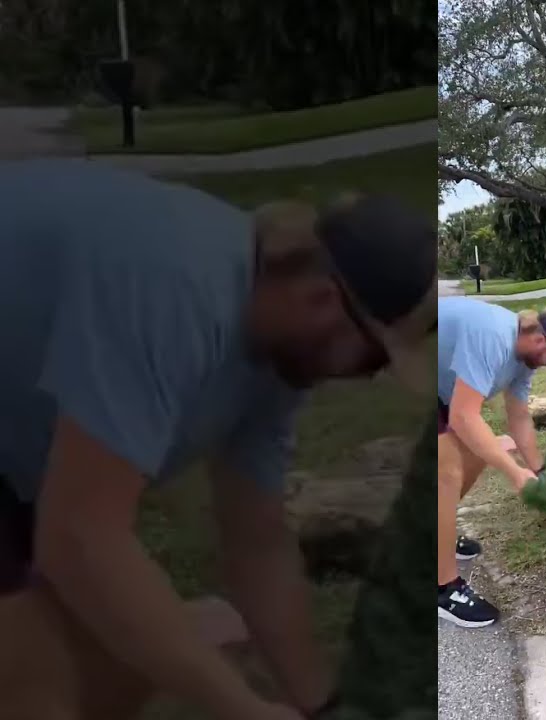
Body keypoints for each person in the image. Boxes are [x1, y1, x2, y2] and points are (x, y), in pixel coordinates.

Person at [0, 159, 435, 720]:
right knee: (33, 673)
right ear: (323, 301)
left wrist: (324, 708)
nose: (365, 375)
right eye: (374, 357)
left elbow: (257, 541)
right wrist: (242, 708)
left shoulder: (273, 361)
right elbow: (82, 538)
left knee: (123, 641)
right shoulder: (176, 288)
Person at [436, 296, 546, 628]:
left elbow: (519, 419)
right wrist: (515, 473)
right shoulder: (493, 335)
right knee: (448, 471)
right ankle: (445, 589)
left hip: (439, 388)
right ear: (537, 338)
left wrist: (540, 473)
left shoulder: (523, 361)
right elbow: (463, 416)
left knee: (476, 452)